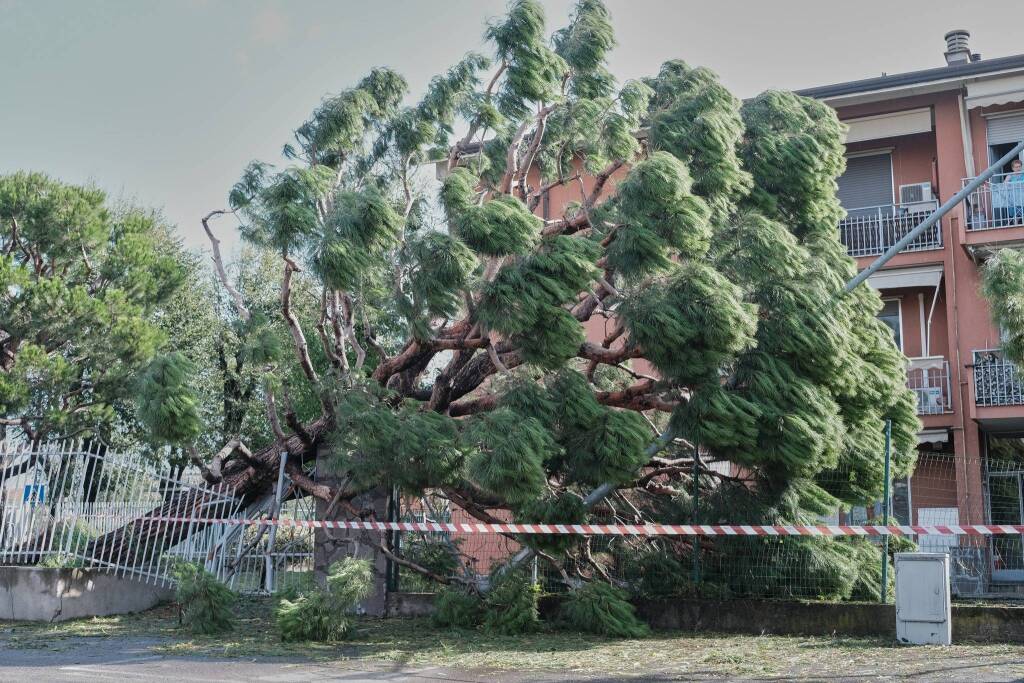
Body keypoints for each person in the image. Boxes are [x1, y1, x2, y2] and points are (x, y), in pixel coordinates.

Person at [1001, 158, 1024, 225]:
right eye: (1016, 167)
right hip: (1013, 196)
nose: (1018, 168)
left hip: (1022, 195)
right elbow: (1004, 184)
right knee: (1015, 213)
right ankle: (1015, 225)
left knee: (1022, 211)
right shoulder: (1010, 175)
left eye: (1019, 166)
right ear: (1013, 168)